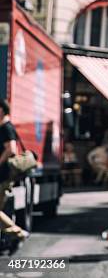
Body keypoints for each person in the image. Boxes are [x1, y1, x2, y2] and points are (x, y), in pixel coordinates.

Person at [0, 99, 29, 244]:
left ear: (1, 110)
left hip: (2, 175)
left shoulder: (6, 128)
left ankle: (18, 232)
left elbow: (11, 149)